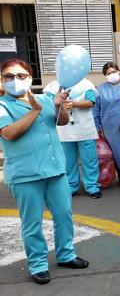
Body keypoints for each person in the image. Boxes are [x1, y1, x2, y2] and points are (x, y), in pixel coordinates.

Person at [0, 58, 89, 285]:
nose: (15, 80)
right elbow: (9, 133)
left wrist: (59, 106)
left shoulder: (44, 98)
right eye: (8, 76)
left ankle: (66, 254)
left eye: (21, 76)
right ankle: (38, 264)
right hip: (25, 175)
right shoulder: (2, 105)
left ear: (30, 78)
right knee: (32, 222)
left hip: (55, 170)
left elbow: (61, 121)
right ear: (1, 80)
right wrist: (34, 112)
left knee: (64, 215)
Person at [43, 77, 102, 199]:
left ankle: (92, 187)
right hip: (64, 130)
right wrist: (59, 104)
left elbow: (91, 102)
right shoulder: (53, 86)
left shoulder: (86, 84)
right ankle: (71, 186)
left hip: (84, 128)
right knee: (67, 161)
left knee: (89, 159)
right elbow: (48, 103)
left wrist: (73, 104)